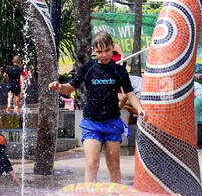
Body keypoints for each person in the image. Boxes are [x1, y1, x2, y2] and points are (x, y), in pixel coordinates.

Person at [49, 30, 146, 184]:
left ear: (112, 47)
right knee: (92, 164)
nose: (104, 55)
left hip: (112, 123)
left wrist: (139, 108)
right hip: (91, 123)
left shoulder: (119, 70)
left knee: (114, 166)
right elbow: (70, 88)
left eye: (107, 50)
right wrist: (59, 86)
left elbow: (130, 93)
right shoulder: (88, 68)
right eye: (99, 51)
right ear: (94, 50)